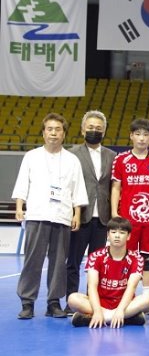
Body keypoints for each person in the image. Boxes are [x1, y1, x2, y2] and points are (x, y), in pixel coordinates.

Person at [13, 113, 88, 319]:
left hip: (62, 215)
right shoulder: (31, 156)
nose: (53, 133)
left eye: (58, 130)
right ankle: (27, 302)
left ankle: (53, 302)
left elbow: (77, 189)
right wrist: (19, 206)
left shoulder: (72, 160)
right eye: (50, 129)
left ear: (64, 134)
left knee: (59, 262)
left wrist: (77, 213)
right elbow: (22, 183)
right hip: (37, 214)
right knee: (32, 260)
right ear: (43, 132)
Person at [66, 110, 117, 311]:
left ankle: (93, 302)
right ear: (82, 130)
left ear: (104, 132)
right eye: (90, 127)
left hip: (103, 218)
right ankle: (71, 301)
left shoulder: (112, 156)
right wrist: (73, 212)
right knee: (73, 262)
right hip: (80, 216)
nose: (94, 131)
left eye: (98, 128)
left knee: (97, 265)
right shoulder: (72, 154)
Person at [111, 118, 149, 300]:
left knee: (148, 259)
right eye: (138, 134)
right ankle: (126, 295)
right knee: (127, 258)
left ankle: (146, 297)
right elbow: (116, 188)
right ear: (131, 136)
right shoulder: (121, 159)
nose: (142, 138)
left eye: (146, 134)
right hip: (127, 220)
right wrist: (114, 213)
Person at [67, 217, 149, 328]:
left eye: (122, 233)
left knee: (147, 299)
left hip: (124, 304)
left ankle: (102, 318)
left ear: (128, 236)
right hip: (100, 303)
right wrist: (97, 311)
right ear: (108, 235)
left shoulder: (137, 258)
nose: (117, 236)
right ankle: (125, 318)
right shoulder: (95, 256)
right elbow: (92, 287)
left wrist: (120, 310)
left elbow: (131, 287)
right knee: (72, 299)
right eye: (113, 232)